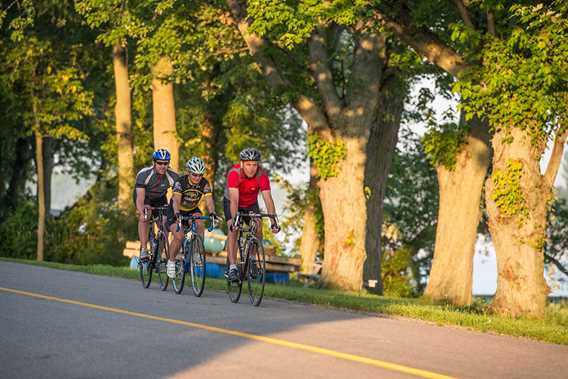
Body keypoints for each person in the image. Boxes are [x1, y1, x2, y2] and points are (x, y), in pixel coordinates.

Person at [224, 147, 280, 282]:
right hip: (232, 202)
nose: (251, 168)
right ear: (242, 163)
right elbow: (234, 200)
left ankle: (252, 259)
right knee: (233, 229)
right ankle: (232, 267)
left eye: (254, 164)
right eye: (248, 164)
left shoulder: (262, 175)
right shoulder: (234, 173)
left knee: (258, 226)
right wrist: (235, 219)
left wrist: (273, 221)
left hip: (250, 204)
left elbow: (268, 199)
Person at [166, 157, 218, 278]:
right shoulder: (180, 182)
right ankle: (171, 261)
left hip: (191, 210)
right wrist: (177, 213)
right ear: (188, 172)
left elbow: (209, 200)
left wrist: (212, 213)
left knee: (200, 223)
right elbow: (177, 200)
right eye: (194, 174)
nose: (197, 178)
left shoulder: (204, 183)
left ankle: (196, 252)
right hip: (175, 210)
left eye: (200, 175)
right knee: (179, 236)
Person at [134, 149, 179, 260]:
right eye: (159, 163)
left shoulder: (173, 176)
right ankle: (144, 250)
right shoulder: (144, 174)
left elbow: (177, 196)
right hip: (145, 197)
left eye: (165, 163)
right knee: (145, 215)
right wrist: (142, 211)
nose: (163, 166)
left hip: (160, 198)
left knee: (165, 223)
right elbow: (140, 198)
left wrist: (174, 211)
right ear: (154, 163)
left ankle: (158, 256)